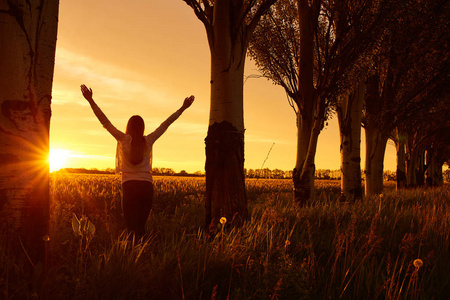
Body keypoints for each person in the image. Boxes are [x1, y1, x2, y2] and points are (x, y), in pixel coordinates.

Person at [80, 84, 194, 238]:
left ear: (128, 127)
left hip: (129, 186)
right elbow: (166, 124)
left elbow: (105, 122)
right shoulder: (149, 140)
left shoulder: (123, 139)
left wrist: (90, 101)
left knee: (131, 228)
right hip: (147, 187)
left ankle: (134, 257)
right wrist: (183, 108)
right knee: (141, 227)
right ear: (143, 128)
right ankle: (145, 256)